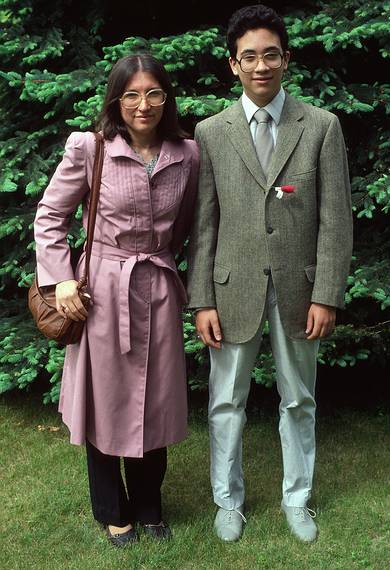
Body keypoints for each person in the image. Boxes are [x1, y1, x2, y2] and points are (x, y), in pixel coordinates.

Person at [187, 4, 352, 543]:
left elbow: (335, 219)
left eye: (271, 55)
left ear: (287, 59)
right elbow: (203, 223)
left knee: (299, 398)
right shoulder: (211, 132)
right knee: (226, 401)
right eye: (249, 56)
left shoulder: (322, 127)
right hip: (231, 290)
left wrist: (326, 294)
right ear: (232, 64)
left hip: (300, 291)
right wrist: (201, 299)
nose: (262, 65)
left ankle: (297, 499)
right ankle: (227, 501)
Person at [34, 53, 199, 546]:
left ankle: (150, 504)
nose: (142, 105)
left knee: (158, 402)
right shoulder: (91, 148)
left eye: (153, 94)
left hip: (159, 288)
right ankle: (112, 508)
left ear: (166, 98)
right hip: (102, 292)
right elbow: (49, 217)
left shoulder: (186, 154)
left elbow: (186, 226)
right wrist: (61, 280)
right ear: (116, 99)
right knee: (104, 404)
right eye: (131, 94)